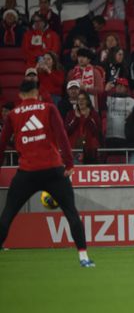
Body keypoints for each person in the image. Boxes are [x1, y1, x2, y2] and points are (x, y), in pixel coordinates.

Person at [0, 80, 95, 267]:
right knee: (71, 213)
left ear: (20, 95)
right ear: (37, 93)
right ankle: (83, 257)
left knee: (7, 214)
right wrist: (69, 163)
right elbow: (61, 136)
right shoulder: (48, 108)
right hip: (53, 170)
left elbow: (2, 144)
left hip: (27, 172)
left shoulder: (11, 114)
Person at [64, 91, 101, 164]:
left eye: (83, 99)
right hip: (75, 151)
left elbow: (97, 133)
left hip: (91, 151)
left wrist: (88, 118)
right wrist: (76, 119)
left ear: (87, 101)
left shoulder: (94, 114)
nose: (81, 101)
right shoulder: (71, 114)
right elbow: (66, 131)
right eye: (79, 99)